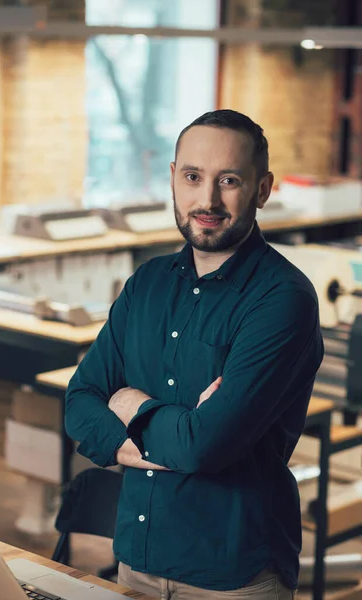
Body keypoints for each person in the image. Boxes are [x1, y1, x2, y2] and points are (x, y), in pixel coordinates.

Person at [65, 109, 324, 600]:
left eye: (228, 180)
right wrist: (176, 436)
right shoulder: (148, 283)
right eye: (193, 177)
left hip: (232, 575)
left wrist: (131, 408)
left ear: (262, 189)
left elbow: (204, 447)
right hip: (136, 562)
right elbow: (80, 404)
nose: (207, 200)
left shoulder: (283, 299)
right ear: (173, 180)